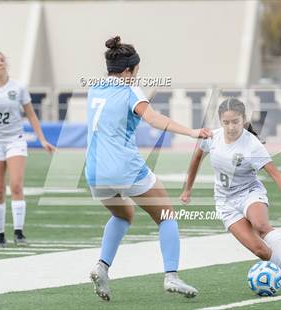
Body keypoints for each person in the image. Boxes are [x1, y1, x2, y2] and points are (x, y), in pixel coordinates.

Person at [86, 36, 211, 301]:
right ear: (128, 70)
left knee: (123, 215)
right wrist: (191, 132)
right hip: (124, 167)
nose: (137, 76)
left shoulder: (94, 88)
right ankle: (171, 275)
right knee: (166, 215)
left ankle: (102, 266)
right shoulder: (130, 90)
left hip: (94, 171)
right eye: (136, 71)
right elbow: (153, 118)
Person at [180, 98, 281, 292]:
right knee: (261, 251)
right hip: (225, 203)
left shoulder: (251, 145)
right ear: (220, 121)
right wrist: (188, 189)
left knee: (261, 225)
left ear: (243, 119)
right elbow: (195, 159)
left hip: (249, 193)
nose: (230, 127)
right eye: (226, 122)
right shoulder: (211, 137)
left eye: (235, 121)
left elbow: (274, 172)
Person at [0, 51, 55, 248]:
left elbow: (32, 115)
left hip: (15, 140)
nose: (0, 63)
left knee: (16, 185)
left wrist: (42, 139)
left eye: (2, 60)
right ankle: (0, 234)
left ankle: (19, 232)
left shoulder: (18, 87)